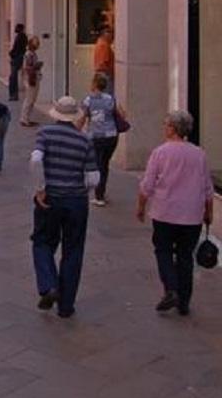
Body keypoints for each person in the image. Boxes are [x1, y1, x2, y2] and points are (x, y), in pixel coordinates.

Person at [137, 110, 214, 316]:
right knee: (185, 256)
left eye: (166, 124)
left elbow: (147, 185)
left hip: (165, 212)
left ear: (172, 128)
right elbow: (208, 188)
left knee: (162, 250)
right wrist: (209, 213)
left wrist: (141, 207)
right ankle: (184, 302)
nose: (164, 127)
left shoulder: (160, 152)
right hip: (191, 215)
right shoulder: (199, 154)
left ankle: (171, 288)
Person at [30, 96, 99, 318]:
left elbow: (36, 159)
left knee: (42, 242)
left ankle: (49, 285)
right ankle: (66, 305)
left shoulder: (45, 133)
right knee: (73, 250)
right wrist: (81, 191)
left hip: (50, 198)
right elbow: (93, 178)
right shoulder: (84, 140)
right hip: (76, 201)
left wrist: (41, 188)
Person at [78, 72, 126, 206]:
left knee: (97, 164)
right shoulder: (110, 99)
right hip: (111, 136)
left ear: (94, 84)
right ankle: (100, 193)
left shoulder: (88, 100)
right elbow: (122, 114)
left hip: (96, 136)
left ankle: (98, 195)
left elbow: (82, 118)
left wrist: (76, 132)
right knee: (104, 164)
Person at [20, 35, 42, 126]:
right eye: (36, 43)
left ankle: (27, 118)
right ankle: (24, 119)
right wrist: (36, 66)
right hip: (31, 78)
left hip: (33, 77)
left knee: (31, 99)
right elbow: (28, 67)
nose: (37, 45)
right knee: (29, 99)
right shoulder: (29, 54)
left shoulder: (32, 54)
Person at [8, 24, 27, 102]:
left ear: (20, 28)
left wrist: (12, 53)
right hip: (17, 58)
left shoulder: (21, 37)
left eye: (16, 27)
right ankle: (13, 94)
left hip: (17, 58)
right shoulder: (21, 36)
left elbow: (17, 48)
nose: (15, 28)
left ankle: (14, 95)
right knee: (13, 77)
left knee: (13, 77)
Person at [93, 26, 115, 92]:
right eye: (110, 32)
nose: (112, 36)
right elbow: (103, 63)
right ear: (104, 33)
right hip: (105, 76)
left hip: (101, 75)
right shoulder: (104, 45)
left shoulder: (100, 43)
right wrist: (111, 74)